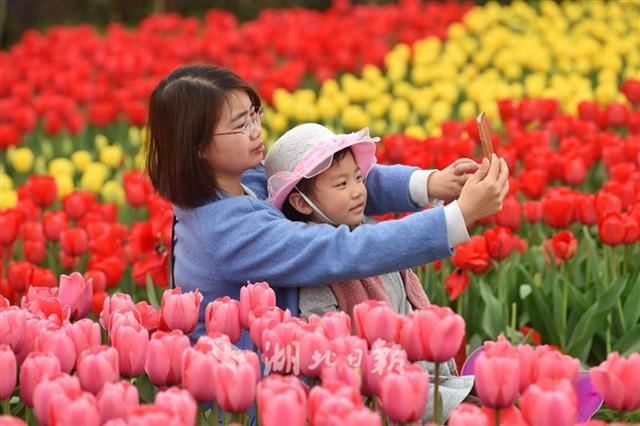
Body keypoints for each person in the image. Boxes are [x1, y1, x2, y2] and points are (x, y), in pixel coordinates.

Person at [145, 64, 510, 351]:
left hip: (302, 346)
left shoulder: (245, 178)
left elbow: (330, 181)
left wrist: (430, 184)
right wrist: (457, 216)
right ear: (198, 147)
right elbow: (340, 250)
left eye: (255, 116)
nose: (257, 131)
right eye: (241, 126)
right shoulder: (224, 231)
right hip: (256, 388)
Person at [264, 122, 475, 421]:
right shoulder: (314, 272)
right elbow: (329, 355)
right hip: (375, 398)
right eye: (341, 184)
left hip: (418, 379)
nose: (358, 192)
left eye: (358, 178)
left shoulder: (371, 238)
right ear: (301, 202)